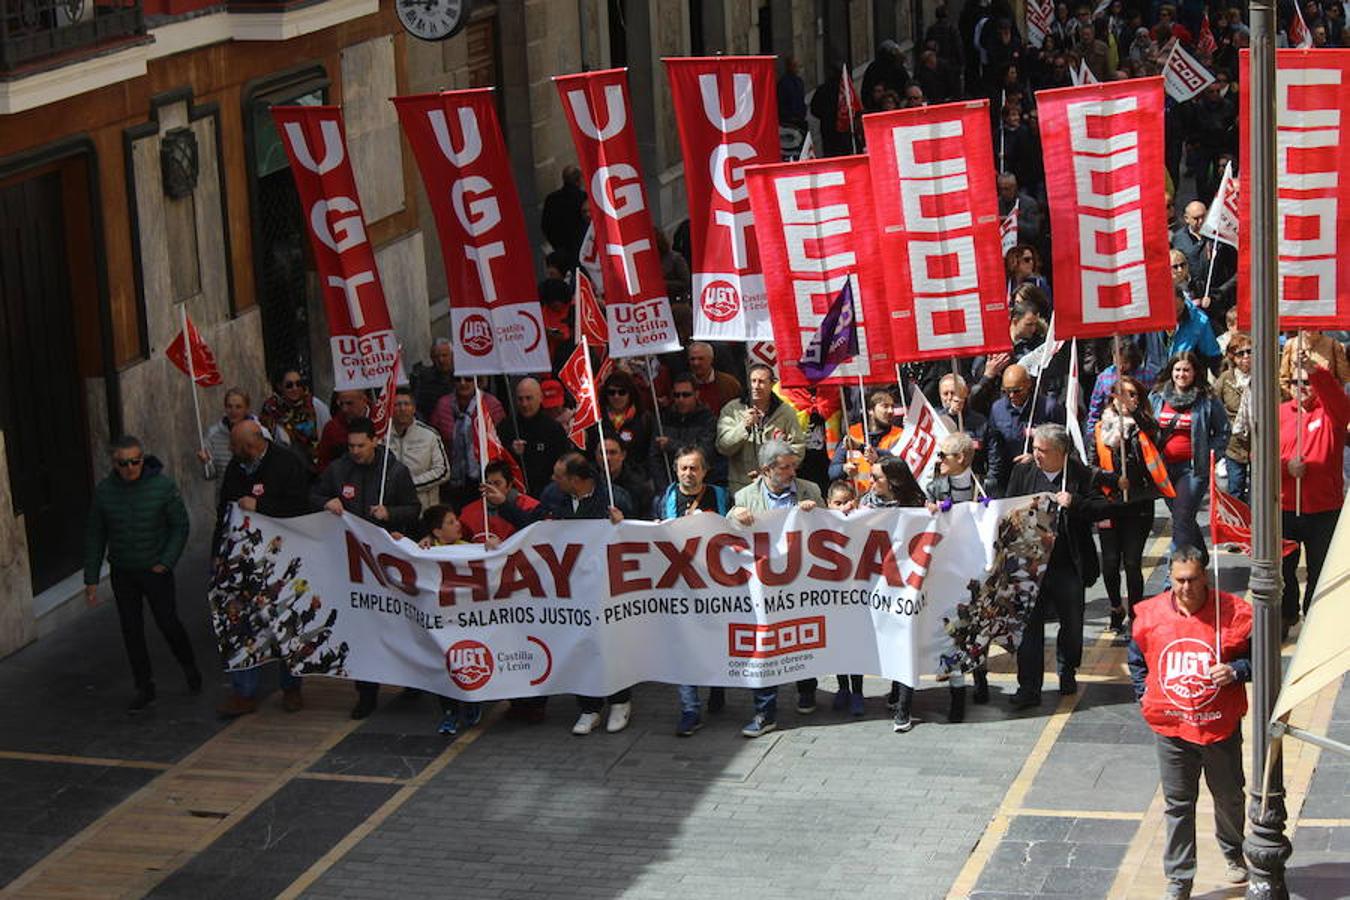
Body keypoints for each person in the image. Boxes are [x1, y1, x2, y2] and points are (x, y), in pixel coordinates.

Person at [1128, 547, 1252, 899]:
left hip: (1219, 727)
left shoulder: (1234, 612)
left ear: (1206, 577)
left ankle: (1232, 851)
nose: (1186, 587)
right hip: (1172, 729)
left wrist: (1235, 671)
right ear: (1169, 578)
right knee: (1178, 803)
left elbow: (1259, 657)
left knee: (1228, 796)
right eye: (1179, 580)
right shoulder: (1149, 615)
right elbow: (1136, 659)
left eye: (1193, 579)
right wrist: (1143, 694)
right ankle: (1179, 880)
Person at [494, 456, 631, 734]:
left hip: (606, 586)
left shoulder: (614, 498)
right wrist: (504, 504)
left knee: (609, 643)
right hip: (570, 588)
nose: (553, 481)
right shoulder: (554, 497)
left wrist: (623, 525)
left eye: (559, 476)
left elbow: (641, 536)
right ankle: (589, 707)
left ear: (576, 479)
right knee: (580, 644)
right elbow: (534, 524)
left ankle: (620, 701)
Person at [312, 417, 420, 719]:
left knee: (397, 623)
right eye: (351, 446)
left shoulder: (395, 472)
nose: (356, 451)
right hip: (353, 563)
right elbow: (314, 494)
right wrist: (326, 502)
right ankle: (366, 692)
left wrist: (391, 513)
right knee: (362, 628)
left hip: (388, 563)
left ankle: (411, 680)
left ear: (375, 441)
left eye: (361, 445)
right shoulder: (338, 470)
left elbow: (414, 510)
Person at [83, 436, 199, 712]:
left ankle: (189, 666)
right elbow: (95, 536)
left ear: (143, 460)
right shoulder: (104, 492)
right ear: (114, 464)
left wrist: (166, 561)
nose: (130, 468)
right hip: (123, 571)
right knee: (131, 630)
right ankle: (144, 686)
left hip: (155, 570)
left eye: (135, 461)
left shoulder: (162, 487)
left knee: (168, 622)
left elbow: (179, 526)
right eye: (123, 463)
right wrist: (90, 580)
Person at [211, 421, 312, 717]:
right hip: (242, 561)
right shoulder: (235, 468)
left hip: (281, 559)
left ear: (251, 446)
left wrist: (261, 505)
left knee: (285, 621)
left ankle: (291, 687)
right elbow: (224, 511)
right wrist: (217, 552)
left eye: (235, 446)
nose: (231, 450)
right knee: (241, 623)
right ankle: (244, 692)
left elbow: (299, 507)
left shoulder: (287, 463)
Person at [1005, 424, 1108, 709]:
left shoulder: (1081, 475)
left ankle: (1067, 669)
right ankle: (1028, 686)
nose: (1035, 454)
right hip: (1030, 565)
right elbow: (1007, 506)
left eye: (1043, 450)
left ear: (1062, 453)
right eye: (1035, 448)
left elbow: (1101, 508)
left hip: (1067, 564)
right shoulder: (1023, 472)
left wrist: (1074, 502)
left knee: (1072, 624)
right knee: (1029, 628)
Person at [727, 441, 822, 736]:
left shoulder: (810, 490)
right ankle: (765, 712)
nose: (792, 471)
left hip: (801, 580)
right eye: (785, 467)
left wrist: (814, 512)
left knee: (803, 635)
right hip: (764, 585)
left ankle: (807, 688)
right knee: (765, 645)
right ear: (767, 469)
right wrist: (736, 516)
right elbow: (727, 527)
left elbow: (830, 527)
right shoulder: (745, 495)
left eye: (794, 466)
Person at [657, 447, 731, 736]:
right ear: (676, 471)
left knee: (716, 641)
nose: (688, 474)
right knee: (684, 646)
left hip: (716, 583)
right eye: (683, 468)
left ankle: (718, 685)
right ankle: (690, 710)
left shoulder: (721, 496)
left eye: (694, 468)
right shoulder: (666, 499)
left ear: (704, 471)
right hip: (680, 585)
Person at [1093, 377, 1173, 634]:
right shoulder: (1099, 428)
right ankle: (1116, 606)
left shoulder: (1145, 427)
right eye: (1122, 394)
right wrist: (1114, 480)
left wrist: (1136, 412)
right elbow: (1091, 466)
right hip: (1109, 503)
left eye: (1134, 395)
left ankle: (1137, 610)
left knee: (1132, 562)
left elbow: (1156, 435)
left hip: (1138, 503)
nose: (1128, 399)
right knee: (1110, 561)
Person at [1280, 363, 1350, 633]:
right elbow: (1261, 456)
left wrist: (1316, 372)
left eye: (1307, 383)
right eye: (1297, 383)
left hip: (1323, 507)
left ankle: (1314, 618)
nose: (1302, 388)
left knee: (1319, 570)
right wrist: (1286, 467)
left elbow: (1338, 400)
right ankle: (1287, 614)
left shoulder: (1331, 413)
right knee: (1284, 569)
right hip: (1286, 505)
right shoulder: (1280, 414)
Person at [1150, 352, 1229, 558]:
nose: (1181, 374)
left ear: (1195, 372)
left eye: (1186, 370)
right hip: (1163, 469)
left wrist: (1211, 453)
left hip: (1193, 469)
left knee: (1182, 515)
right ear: (1171, 372)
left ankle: (1175, 572)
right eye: (1178, 370)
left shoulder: (1207, 398)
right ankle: (1199, 555)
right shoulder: (1157, 396)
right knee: (1182, 517)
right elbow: (1147, 425)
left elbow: (1223, 431)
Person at [418, 505, 485, 736]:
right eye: (450, 522)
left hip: (466, 620)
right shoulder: (424, 550)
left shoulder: (469, 549)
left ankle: (472, 701)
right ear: (436, 532)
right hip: (441, 621)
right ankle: (449, 713)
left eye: (456, 520)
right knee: (445, 665)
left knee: (467, 661)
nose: (458, 524)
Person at [717, 363, 806, 494]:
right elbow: (723, 446)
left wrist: (774, 471)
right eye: (753, 381)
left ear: (772, 384)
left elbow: (798, 449)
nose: (756, 386)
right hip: (742, 486)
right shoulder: (732, 409)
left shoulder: (786, 412)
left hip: (778, 485)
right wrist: (744, 428)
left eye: (761, 382)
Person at [986, 363, 1065, 497]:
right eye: (1006, 391)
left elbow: (1062, 445)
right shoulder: (997, 409)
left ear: (1028, 385)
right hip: (1009, 477)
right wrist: (993, 479)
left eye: (1017, 390)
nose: (1011, 395)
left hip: (1040, 476)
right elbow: (995, 447)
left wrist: (1034, 457)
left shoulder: (1049, 408)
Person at [430, 376, 506, 505]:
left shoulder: (491, 403)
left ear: (478, 380)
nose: (463, 383)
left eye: (469, 379)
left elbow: (501, 438)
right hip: (451, 478)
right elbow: (433, 437)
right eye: (458, 379)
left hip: (483, 476)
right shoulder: (443, 404)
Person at [498, 377, 570, 496]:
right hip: (515, 493)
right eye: (520, 399)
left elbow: (563, 462)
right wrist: (511, 451)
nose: (524, 404)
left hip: (547, 493)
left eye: (529, 398)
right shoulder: (506, 427)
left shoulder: (553, 429)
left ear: (540, 398)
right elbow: (497, 461)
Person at [651, 373, 720, 489]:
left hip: (700, 484)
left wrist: (672, 445)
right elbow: (654, 456)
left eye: (686, 395)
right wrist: (664, 488)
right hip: (668, 484)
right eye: (676, 395)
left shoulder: (707, 419)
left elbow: (704, 452)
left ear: (696, 394)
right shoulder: (663, 418)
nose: (681, 399)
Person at [386, 387, 450, 511]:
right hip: (393, 510)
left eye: (406, 404)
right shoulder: (382, 437)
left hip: (425, 509)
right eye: (397, 405)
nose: (402, 409)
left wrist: (409, 485)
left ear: (414, 408)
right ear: (390, 408)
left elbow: (443, 471)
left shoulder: (430, 435)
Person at [828, 389, 904, 492]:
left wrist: (861, 447)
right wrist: (844, 469)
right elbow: (832, 472)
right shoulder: (852, 433)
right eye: (885, 406)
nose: (891, 411)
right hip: (857, 501)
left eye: (892, 407)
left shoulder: (899, 435)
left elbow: (901, 465)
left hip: (886, 500)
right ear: (870, 410)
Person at [259, 369, 331, 475]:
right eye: (289, 385)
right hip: (284, 471)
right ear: (280, 386)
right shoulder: (271, 410)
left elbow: (327, 435)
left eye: (298, 384)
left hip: (316, 470)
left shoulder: (315, 406)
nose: (295, 388)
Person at [458, 459, 540, 543]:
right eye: (489, 483)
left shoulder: (530, 507)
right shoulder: (468, 513)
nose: (492, 488)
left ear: (509, 485)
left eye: (497, 484)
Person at [1214, 334, 1252, 502]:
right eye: (1240, 353)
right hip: (1234, 445)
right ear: (1232, 357)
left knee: (1259, 493)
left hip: (1259, 444)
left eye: (1249, 352)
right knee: (1235, 489)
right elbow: (1214, 405)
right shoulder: (1226, 379)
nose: (1246, 357)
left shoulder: (1264, 376)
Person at [599, 370, 655, 467]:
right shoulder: (597, 419)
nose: (616, 396)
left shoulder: (645, 418)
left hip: (637, 477)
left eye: (622, 392)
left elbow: (650, 453)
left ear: (630, 393)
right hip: (604, 476)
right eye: (611, 392)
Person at [197, 388, 256, 478]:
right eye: (229, 406)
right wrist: (207, 462)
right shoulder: (213, 434)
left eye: (238, 407)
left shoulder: (259, 432)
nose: (233, 411)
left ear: (246, 409)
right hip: (225, 490)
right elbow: (208, 475)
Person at [1276, 328, 1350, 398]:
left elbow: (1344, 378)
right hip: (1298, 402)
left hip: (1325, 402)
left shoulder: (1333, 344)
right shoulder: (1291, 344)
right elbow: (1284, 378)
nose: (1310, 328)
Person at [540, 165, 587, 269]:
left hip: (561, 251)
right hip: (582, 248)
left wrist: (557, 245)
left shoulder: (551, 199)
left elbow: (545, 225)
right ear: (578, 180)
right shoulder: (582, 197)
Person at [595, 435, 648, 519]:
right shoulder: (590, 482)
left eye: (612, 453)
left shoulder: (638, 485)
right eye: (603, 453)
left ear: (623, 455)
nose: (607, 458)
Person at [317, 390, 371, 471]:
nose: (344, 409)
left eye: (350, 403)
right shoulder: (332, 428)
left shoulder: (381, 422)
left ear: (364, 400)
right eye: (341, 404)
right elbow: (323, 466)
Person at [409, 337, 457, 422]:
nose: (441, 360)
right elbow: (418, 408)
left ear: (452, 355)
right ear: (431, 358)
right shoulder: (424, 379)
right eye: (436, 357)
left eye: (444, 355)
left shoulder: (463, 377)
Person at [687, 342, 742, 414]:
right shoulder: (683, 385)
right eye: (692, 359)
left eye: (701, 359)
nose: (696, 363)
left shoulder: (730, 384)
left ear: (711, 359)